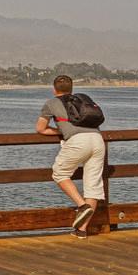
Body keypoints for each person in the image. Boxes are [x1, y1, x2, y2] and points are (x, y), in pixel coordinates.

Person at [36, 75, 106, 239]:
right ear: (71, 88)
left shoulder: (51, 103)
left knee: (60, 173)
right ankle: (81, 230)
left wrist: (61, 131)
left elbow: (40, 128)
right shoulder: (80, 100)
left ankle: (82, 206)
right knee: (93, 185)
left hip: (77, 142)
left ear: (54, 89)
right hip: (97, 140)